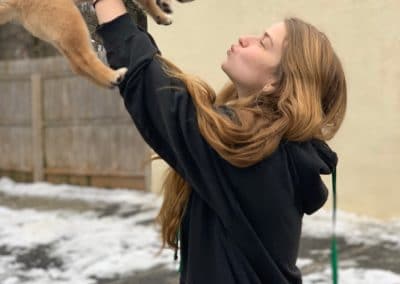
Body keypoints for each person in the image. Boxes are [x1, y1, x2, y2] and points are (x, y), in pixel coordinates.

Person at [93, 1, 347, 283]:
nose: (244, 39)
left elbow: (162, 100)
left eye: (263, 43)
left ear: (276, 83)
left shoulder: (258, 151)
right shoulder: (276, 149)